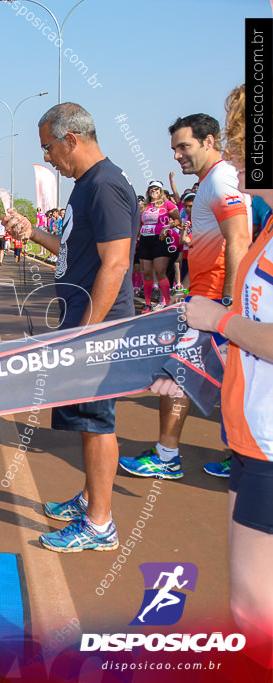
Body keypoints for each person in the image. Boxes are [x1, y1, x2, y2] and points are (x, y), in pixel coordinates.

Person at [149, 84, 272, 646]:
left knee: (252, 611)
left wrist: (217, 320)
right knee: (246, 604)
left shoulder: (224, 187)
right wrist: (203, 369)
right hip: (251, 438)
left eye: (245, 151)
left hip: (268, 444)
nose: (239, 169)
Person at [1, 102, 136, 553]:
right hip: (81, 320)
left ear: (71, 139)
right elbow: (75, 252)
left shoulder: (105, 186)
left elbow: (116, 264)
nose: (49, 159)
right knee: (85, 420)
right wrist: (32, 233)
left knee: (97, 422)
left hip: (96, 327)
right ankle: (91, 499)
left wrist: (87, 331)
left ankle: (100, 524)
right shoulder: (86, 187)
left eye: (49, 149)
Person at [119, 113, 251, 481]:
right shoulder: (211, 180)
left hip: (216, 301)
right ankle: (241, 454)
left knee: (175, 373)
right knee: (231, 381)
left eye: (184, 146)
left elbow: (238, 238)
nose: (177, 155)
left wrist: (229, 303)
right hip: (207, 297)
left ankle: (167, 456)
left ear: (209, 142)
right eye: (175, 148)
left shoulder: (222, 178)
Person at [137, 180, 182, 312]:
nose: (154, 191)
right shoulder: (145, 206)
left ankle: (167, 303)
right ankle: (147, 303)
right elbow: (140, 224)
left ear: (161, 191)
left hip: (161, 240)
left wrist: (168, 227)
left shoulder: (167, 203)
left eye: (156, 189)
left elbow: (178, 219)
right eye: (151, 189)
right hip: (145, 240)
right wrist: (137, 238)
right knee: (146, 273)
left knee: (160, 272)